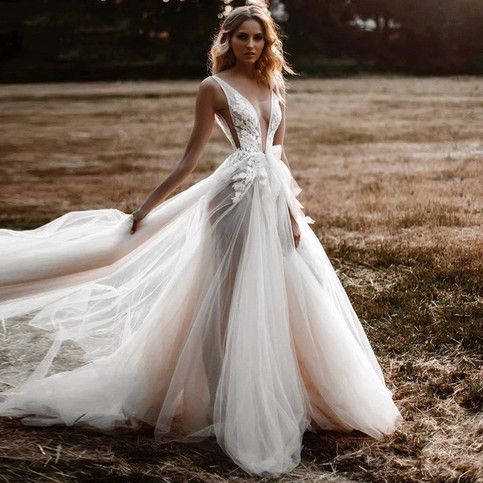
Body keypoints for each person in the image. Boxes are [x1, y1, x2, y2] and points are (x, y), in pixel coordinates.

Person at [0, 3, 403, 478]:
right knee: (225, 302)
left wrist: (293, 211)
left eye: (258, 38)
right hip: (231, 203)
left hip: (272, 202)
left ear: (268, 41)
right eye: (241, 37)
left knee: (287, 296)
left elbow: (280, 155)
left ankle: (289, 391)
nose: (250, 45)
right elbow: (189, 161)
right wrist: (146, 207)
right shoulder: (213, 88)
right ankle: (221, 404)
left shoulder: (276, 85)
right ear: (227, 40)